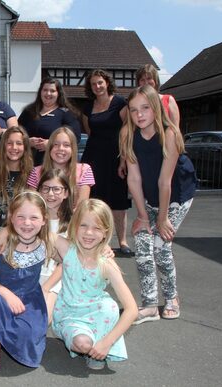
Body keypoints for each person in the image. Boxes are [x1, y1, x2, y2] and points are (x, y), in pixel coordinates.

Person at [120, 85, 197, 324]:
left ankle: (171, 298)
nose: (139, 115)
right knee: (143, 242)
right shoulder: (127, 135)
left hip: (177, 196)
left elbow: (166, 182)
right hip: (150, 197)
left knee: (161, 246)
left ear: (155, 108)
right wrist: (143, 216)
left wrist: (162, 220)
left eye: (145, 108)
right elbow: (133, 178)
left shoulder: (169, 134)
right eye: (134, 110)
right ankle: (150, 304)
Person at [52, 199, 137, 370]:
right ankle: (90, 348)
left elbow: (132, 309)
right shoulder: (66, 248)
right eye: (83, 225)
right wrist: (2, 233)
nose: (89, 233)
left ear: (106, 232)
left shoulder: (106, 264)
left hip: (97, 314)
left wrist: (107, 342)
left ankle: (101, 347)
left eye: (97, 228)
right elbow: (36, 229)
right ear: (74, 226)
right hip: (70, 314)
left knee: (109, 306)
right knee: (82, 344)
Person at [0, 192, 56, 371]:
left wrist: (103, 247)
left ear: (44, 220)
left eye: (34, 217)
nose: (27, 223)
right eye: (20, 217)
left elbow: (73, 256)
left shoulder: (46, 243)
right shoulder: (0, 242)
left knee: (27, 336)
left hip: (30, 300)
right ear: (11, 218)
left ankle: (15, 331)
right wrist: (6, 294)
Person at [81, 69, 132, 256]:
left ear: (107, 83)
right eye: (94, 84)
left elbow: (127, 132)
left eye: (100, 82)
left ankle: (123, 241)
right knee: (95, 200)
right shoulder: (88, 107)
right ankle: (100, 241)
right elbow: (90, 132)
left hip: (115, 156)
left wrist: (124, 159)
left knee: (118, 202)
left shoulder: (120, 103)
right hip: (93, 157)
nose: (97, 86)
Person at [27, 126, 95, 209]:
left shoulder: (84, 170)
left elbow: (81, 208)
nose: (61, 148)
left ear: (73, 149)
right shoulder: (36, 172)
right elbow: (32, 205)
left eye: (66, 145)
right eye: (56, 144)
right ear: (50, 148)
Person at [18, 77, 81, 166]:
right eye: (45, 90)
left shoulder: (66, 114)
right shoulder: (29, 112)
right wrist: (27, 141)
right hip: (27, 164)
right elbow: (16, 134)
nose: (48, 93)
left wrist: (52, 143)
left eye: (52, 91)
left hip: (54, 165)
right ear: (40, 92)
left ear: (58, 94)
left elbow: (75, 138)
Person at [37, 169, 73, 323]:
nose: (50, 194)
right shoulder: (31, 218)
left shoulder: (73, 222)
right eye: (46, 188)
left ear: (65, 193)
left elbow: (67, 262)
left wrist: (46, 288)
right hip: (31, 275)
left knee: (43, 320)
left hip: (56, 279)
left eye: (56, 189)